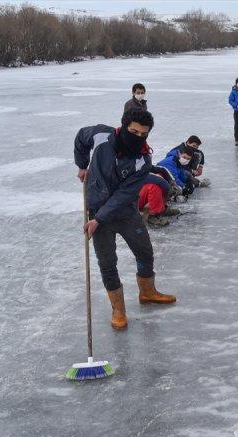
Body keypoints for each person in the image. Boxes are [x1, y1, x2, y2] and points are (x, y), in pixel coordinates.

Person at [74, 108, 176, 331]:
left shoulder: (142, 159)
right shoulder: (101, 135)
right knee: (108, 264)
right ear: (124, 126)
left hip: (125, 212)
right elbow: (82, 137)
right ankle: (118, 309)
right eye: (134, 131)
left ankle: (147, 292)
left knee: (145, 252)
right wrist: (82, 165)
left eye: (143, 134)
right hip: (97, 212)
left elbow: (124, 195)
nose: (138, 137)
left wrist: (99, 219)